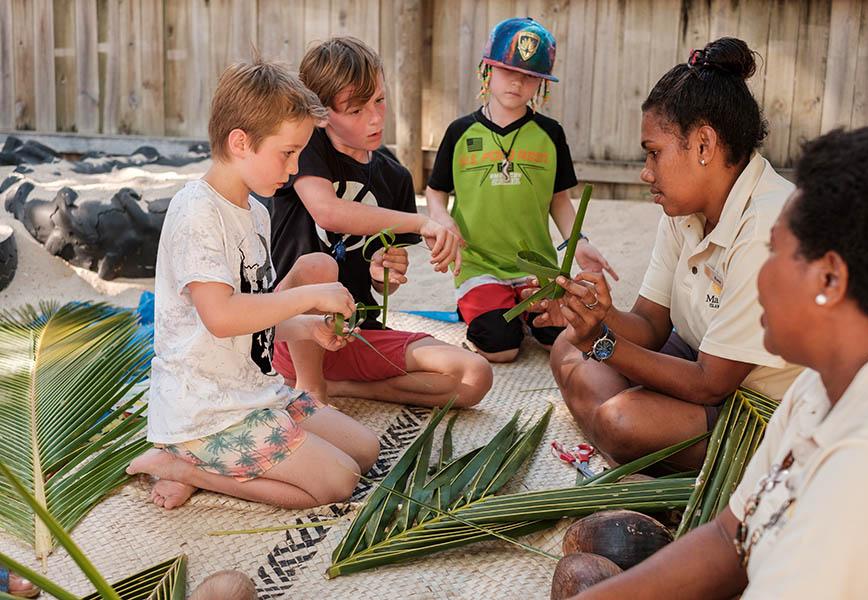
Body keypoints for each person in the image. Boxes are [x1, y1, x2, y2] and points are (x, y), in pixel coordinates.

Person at [564, 126, 868, 599]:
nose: (757, 278)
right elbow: (731, 536)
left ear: (829, 278)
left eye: (776, 253)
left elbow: (707, 384)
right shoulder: (820, 388)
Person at [125, 58, 380, 510]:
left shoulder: (255, 211)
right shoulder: (197, 212)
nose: (296, 165)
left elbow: (254, 320)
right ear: (240, 142)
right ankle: (185, 465)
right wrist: (308, 296)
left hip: (252, 391)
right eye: (287, 153)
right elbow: (222, 318)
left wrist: (307, 327)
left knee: (366, 451)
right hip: (205, 413)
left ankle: (207, 464)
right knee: (337, 482)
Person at [542, 38, 802, 468]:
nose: (646, 172)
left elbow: (710, 384)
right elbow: (649, 325)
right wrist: (593, 315)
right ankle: (632, 443)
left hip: (754, 403)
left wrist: (604, 345)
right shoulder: (686, 209)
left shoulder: (767, 229)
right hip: (697, 358)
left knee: (621, 418)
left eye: (654, 153)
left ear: (703, 145)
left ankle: (632, 439)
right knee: (567, 349)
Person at [269, 37, 492, 408]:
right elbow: (327, 211)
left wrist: (381, 274)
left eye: (379, 100)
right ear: (322, 114)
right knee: (318, 267)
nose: (374, 118)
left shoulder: (395, 177)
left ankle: (343, 388)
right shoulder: (306, 148)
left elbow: (385, 288)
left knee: (474, 376)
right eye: (355, 110)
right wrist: (420, 222)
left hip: (355, 330)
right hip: (294, 333)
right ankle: (311, 388)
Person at [425, 17, 617, 364]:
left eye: (530, 75)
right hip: (478, 263)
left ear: (541, 84)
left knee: (557, 339)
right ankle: (484, 299)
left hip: (537, 265)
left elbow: (559, 199)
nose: (517, 81)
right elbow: (435, 191)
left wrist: (580, 241)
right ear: (487, 70)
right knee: (501, 347)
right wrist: (442, 220)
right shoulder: (459, 132)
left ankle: (521, 307)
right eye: (507, 70)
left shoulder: (551, 133)